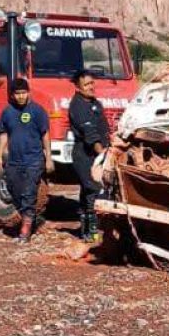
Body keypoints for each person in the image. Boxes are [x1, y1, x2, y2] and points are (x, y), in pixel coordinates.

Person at [0, 78, 52, 242]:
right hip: (14, 160)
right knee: (13, 190)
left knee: (28, 193)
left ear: (28, 93)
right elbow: (3, 133)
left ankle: (25, 231)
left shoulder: (37, 111)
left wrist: (48, 157)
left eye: (23, 93)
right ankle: (31, 218)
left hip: (34, 159)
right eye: (17, 93)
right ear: (12, 95)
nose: (21, 96)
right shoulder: (7, 112)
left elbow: (45, 134)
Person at [68, 70, 110, 241]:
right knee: (93, 189)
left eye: (92, 83)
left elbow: (103, 128)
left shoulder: (96, 103)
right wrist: (101, 152)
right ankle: (92, 232)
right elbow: (89, 132)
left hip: (98, 152)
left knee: (86, 191)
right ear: (78, 88)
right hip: (84, 153)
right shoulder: (77, 106)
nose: (91, 87)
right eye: (86, 84)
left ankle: (85, 230)